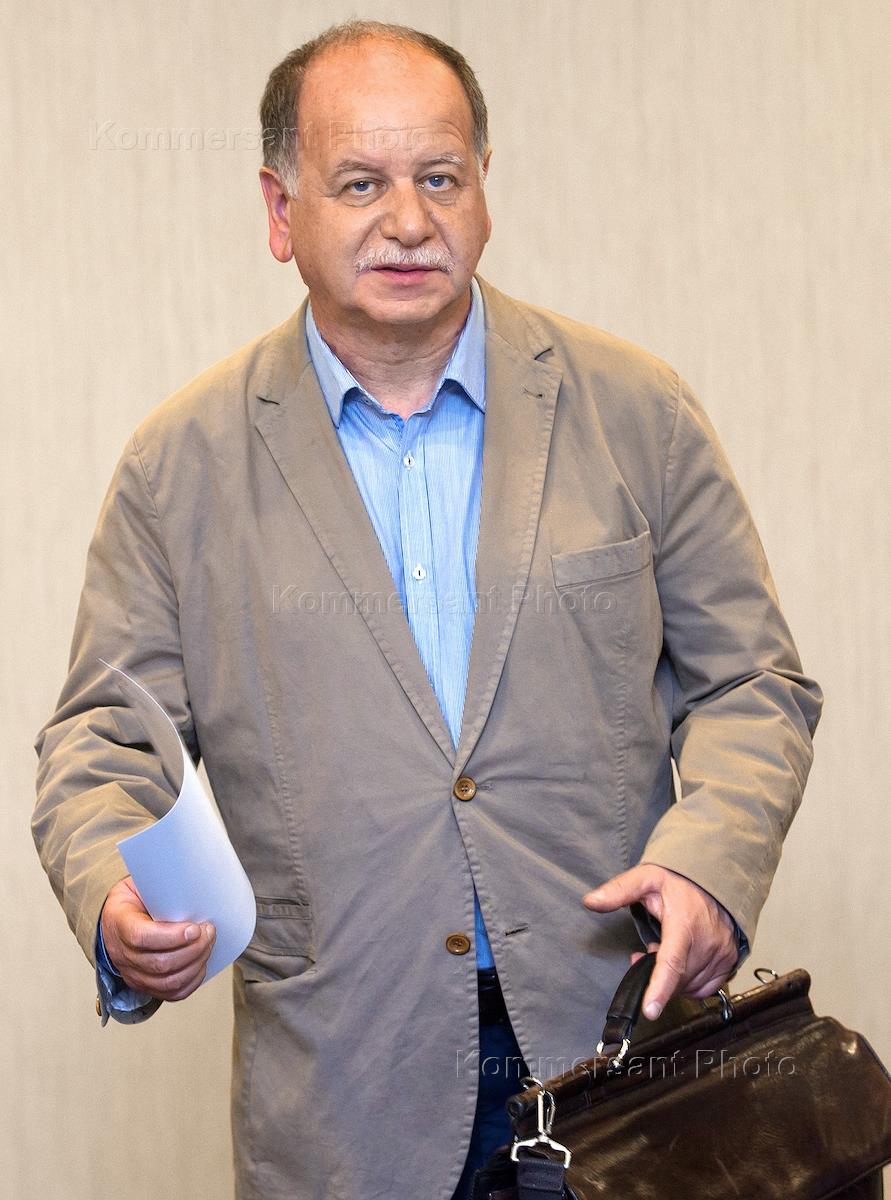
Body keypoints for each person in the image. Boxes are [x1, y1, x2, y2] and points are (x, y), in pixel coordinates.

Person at [32, 19, 823, 1200]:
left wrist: (712, 865)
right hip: (342, 1092)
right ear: (280, 210)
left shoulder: (636, 410)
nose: (408, 220)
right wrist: (113, 895)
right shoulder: (178, 465)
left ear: (484, 190)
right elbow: (99, 740)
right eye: (361, 183)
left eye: (440, 178)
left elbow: (753, 685)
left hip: (624, 1052)